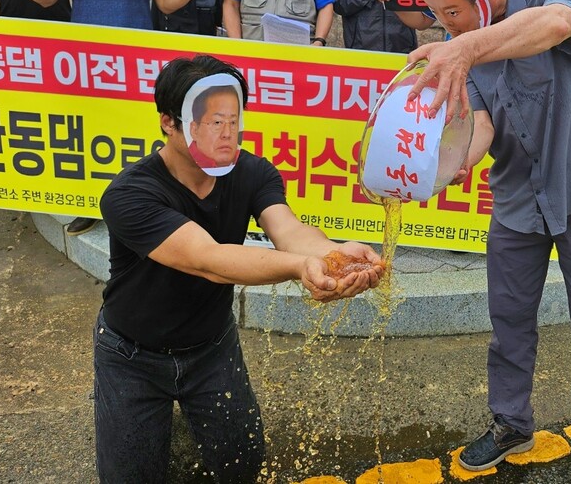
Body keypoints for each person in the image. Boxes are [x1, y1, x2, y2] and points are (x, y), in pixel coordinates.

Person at [399, 0, 571, 483]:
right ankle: (511, 424)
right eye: (438, 15)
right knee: (509, 320)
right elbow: (481, 125)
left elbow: (558, 25)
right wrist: (444, 168)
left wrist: (465, 46)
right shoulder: (466, 47)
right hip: (518, 197)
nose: (449, 25)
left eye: (454, 11)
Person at [94, 54, 384, 482]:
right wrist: (300, 267)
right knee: (132, 475)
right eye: (213, 122)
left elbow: (288, 229)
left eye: (233, 120)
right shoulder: (129, 194)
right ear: (169, 123)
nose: (227, 134)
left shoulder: (251, 172)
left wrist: (332, 256)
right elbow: (208, 259)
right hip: (132, 354)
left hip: (212, 347)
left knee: (242, 463)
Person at [0, 0, 219, 236]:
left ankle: (140, 203)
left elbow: (165, 4)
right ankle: (90, 203)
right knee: (89, 131)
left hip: (136, 58)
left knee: (133, 132)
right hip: (84, 58)